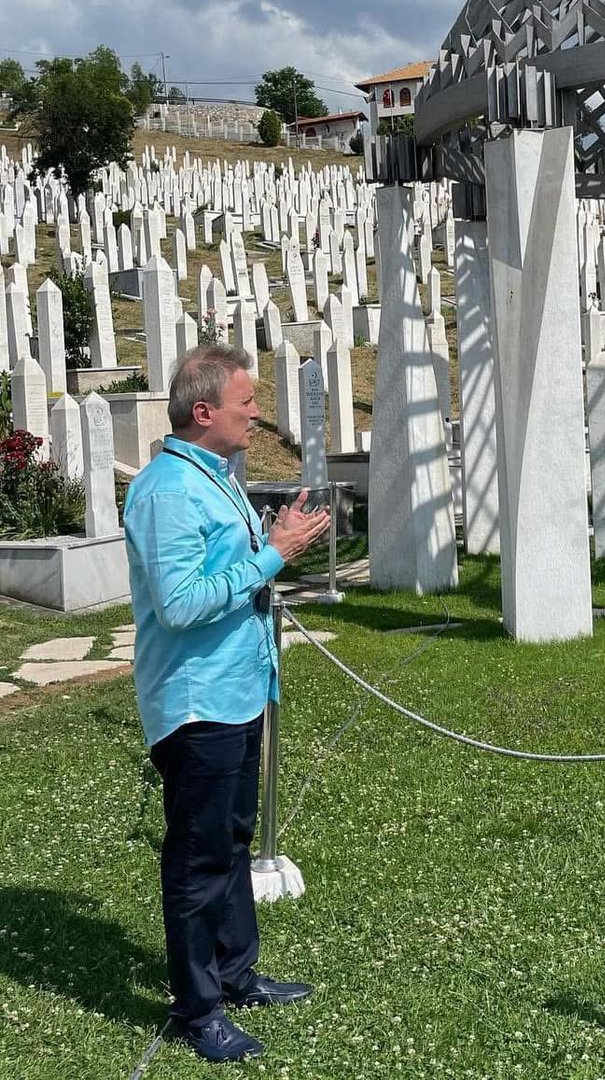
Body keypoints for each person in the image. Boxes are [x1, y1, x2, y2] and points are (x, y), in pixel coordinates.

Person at [124, 344, 331, 1064]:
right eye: (246, 401)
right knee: (198, 856)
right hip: (196, 703)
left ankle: (236, 972)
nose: (256, 413)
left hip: (237, 692)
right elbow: (180, 606)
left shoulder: (217, 478)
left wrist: (278, 544)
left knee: (232, 840)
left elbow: (233, 573)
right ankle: (197, 1007)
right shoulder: (169, 492)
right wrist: (272, 554)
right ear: (203, 410)